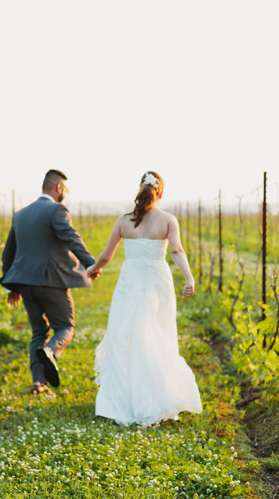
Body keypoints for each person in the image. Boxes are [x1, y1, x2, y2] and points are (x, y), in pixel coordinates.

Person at [86, 171, 203, 425]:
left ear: (140, 191)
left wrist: (91, 270)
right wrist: (189, 278)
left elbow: (105, 257)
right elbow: (176, 250)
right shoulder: (168, 220)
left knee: (124, 334)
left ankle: (127, 395)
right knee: (155, 333)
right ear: (160, 193)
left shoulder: (123, 221)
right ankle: (156, 392)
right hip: (158, 282)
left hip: (130, 282)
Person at [0, 169, 99, 394]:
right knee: (65, 327)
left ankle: (38, 384)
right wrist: (91, 264)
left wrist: (11, 287)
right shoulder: (57, 210)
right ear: (58, 188)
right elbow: (71, 237)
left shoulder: (20, 214)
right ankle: (51, 351)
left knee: (38, 332)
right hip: (51, 281)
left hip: (25, 283)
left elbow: (9, 253)